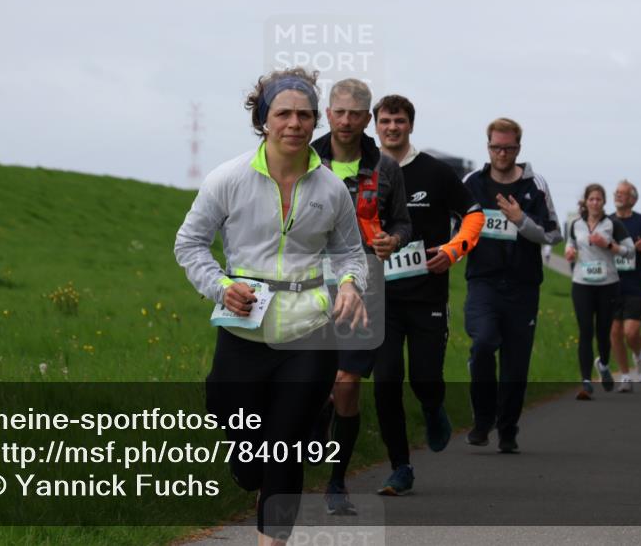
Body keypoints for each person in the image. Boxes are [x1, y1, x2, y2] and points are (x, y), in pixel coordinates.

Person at [174, 68, 369, 545]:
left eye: (305, 115)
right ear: (264, 120)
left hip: (310, 331)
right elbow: (190, 244)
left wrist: (349, 285)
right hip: (243, 329)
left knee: (285, 453)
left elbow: (349, 253)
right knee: (243, 450)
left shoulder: (330, 188)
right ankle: (273, 453)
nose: (295, 124)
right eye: (283, 113)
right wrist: (220, 285)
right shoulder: (228, 179)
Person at [371, 94, 484, 495]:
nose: (392, 128)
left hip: (426, 296)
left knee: (424, 379)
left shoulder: (435, 172)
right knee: (385, 381)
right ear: (375, 125)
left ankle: (434, 406)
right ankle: (400, 466)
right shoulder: (364, 173)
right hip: (378, 298)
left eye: (399, 121)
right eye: (385, 121)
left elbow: (474, 214)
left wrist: (454, 250)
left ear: (410, 125)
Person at [310, 78, 412, 515]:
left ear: (366, 118)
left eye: (356, 114)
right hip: (308, 286)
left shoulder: (386, 167)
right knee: (310, 386)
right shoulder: (306, 158)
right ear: (328, 113)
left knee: (346, 384)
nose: (347, 121)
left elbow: (405, 224)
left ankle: (336, 483)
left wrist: (393, 239)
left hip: (364, 286)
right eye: (340, 112)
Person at [462, 118, 562, 452]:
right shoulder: (472, 183)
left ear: (519, 148)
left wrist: (521, 221)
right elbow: (456, 229)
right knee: (483, 344)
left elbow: (552, 234)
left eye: (508, 148)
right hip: (483, 282)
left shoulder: (535, 185)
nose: (501, 154)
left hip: (523, 285)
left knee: (516, 366)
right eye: (495, 147)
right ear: (487, 146)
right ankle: (482, 419)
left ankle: (507, 430)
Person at [565, 184, 635, 399]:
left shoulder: (613, 224)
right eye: (591, 199)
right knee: (585, 331)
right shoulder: (575, 224)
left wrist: (609, 245)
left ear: (604, 203)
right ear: (585, 202)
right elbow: (571, 245)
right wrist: (570, 252)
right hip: (582, 284)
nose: (595, 203)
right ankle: (586, 381)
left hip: (608, 285)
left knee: (603, 333)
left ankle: (603, 364)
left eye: (599, 199)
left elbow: (630, 251)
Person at [608, 180, 641, 392]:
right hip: (610, 284)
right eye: (616, 192)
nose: (618, 196)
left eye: (623, 193)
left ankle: (639, 355)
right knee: (615, 332)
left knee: (631, 332)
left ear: (633, 198)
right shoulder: (607, 221)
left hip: (635, 285)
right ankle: (625, 376)